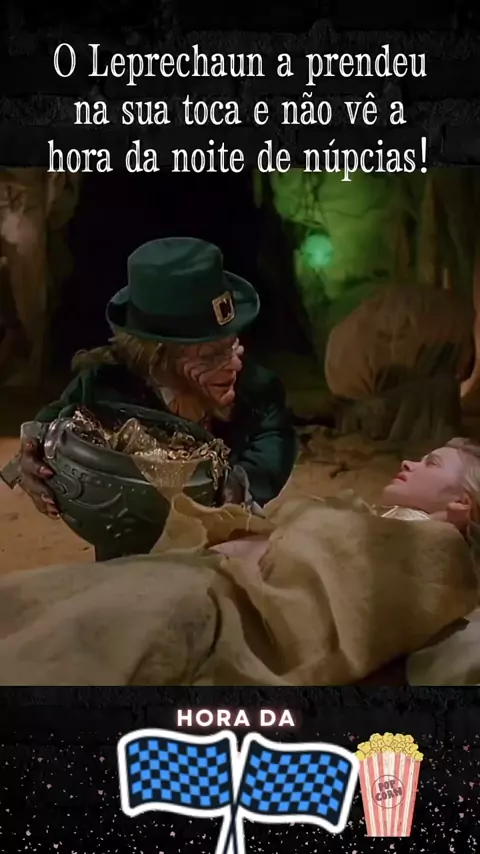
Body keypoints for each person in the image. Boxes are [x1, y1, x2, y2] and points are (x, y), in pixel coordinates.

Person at [0, 437, 478, 686]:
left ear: (462, 504)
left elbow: (343, 604)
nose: (411, 463)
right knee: (46, 597)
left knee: (79, 639)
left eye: (432, 464)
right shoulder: (374, 520)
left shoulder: (437, 551)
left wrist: (277, 545)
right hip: (199, 575)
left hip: (220, 606)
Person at [16, 237, 298, 553]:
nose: (234, 364)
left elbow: (274, 438)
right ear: (157, 357)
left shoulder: (256, 388)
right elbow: (51, 422)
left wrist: (242, 482)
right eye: (209, 356)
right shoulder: (106, 388)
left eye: (233, 345)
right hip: (136, 549)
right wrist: (34, 450)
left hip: (225, 544)